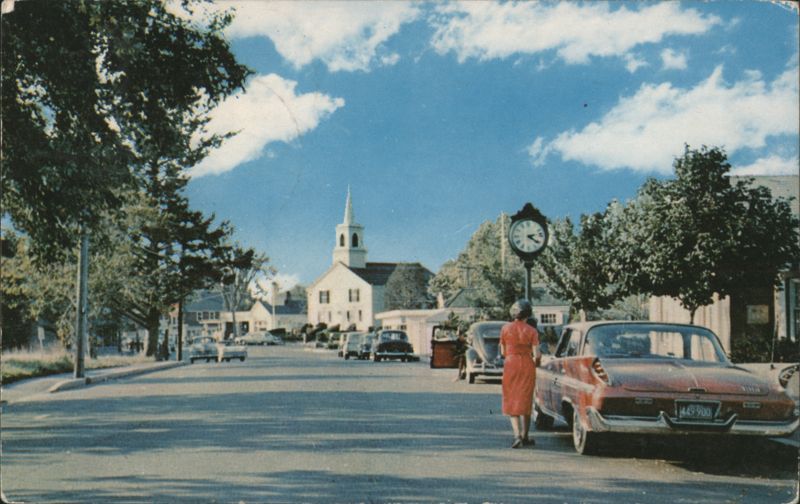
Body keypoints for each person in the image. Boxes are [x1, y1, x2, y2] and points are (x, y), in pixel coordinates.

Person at [499, 299, 540, 448]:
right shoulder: (532, 330)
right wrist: (537, 364)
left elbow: (503, 351)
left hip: (510, 364)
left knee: (512, 398)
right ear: (527, 314)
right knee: (526, 399)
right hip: (527, 364)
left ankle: (516, 435)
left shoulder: (505, 329)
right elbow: (537, 354)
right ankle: (525, 435)